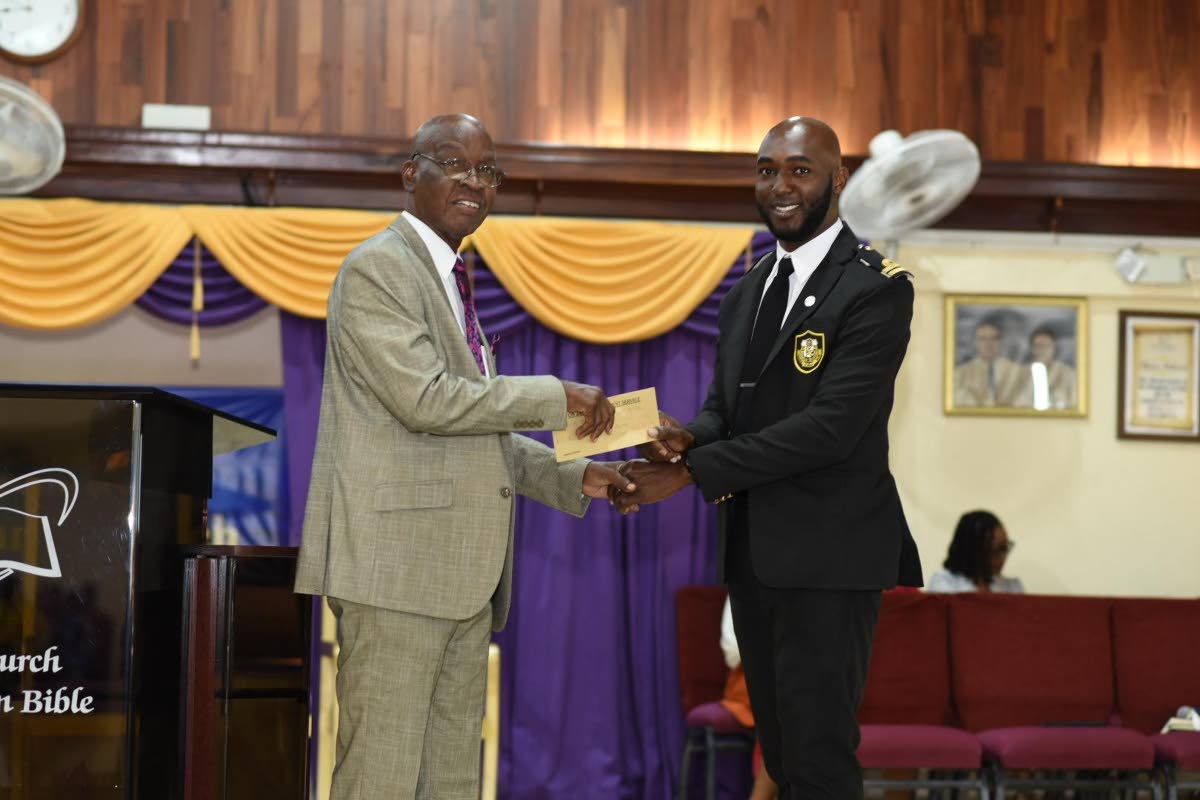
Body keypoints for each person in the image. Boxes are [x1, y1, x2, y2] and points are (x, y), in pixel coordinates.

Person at [293, 113, 635, 800]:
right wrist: (558, 394)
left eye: (488, 171)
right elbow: (427, 399)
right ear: (409, 173)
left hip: (459, 577)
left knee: (449, 780)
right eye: (453, 163)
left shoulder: (452, 278)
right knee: (381, 778)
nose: (474, 182)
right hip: (394, 574)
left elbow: (473, 430)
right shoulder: (378, 269)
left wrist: (576, 477)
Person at [613, 116, 922, 799]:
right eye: (766, 170)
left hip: (831, 560)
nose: (779, 186)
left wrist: (693, 470)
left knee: (817, 756)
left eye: (799, 170)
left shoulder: (876, 288)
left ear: (838, 179)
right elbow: (728, 410)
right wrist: (686, 437)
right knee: (780, 754)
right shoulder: (748, 290)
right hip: (754, 553)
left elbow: (829, 429)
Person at [719, 597, 779, 800]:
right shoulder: (745, 581)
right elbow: (733, 651)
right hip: (752, 679)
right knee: (785, 721)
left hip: (800, 681)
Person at [928, 510, 1024, 593]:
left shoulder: (1011, 587)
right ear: (975, 550)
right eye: (997, 550)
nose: (1003, 557)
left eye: (1006, 547)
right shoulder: (943, 583)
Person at [953, 318, 1024, 407]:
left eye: (994, 338)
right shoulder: (961, 373)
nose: (988, 344)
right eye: (983, 339)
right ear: (975, 342)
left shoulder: (1017, 371)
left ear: (1001, 341)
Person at [1016, 327, 1077, 410]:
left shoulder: (1068, 373)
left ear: (1054, 348)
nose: (1041, 350)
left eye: (1046, 346)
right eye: (1038, 346)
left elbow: (1073, 403)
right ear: (1031, 349)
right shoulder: (1021, 373)